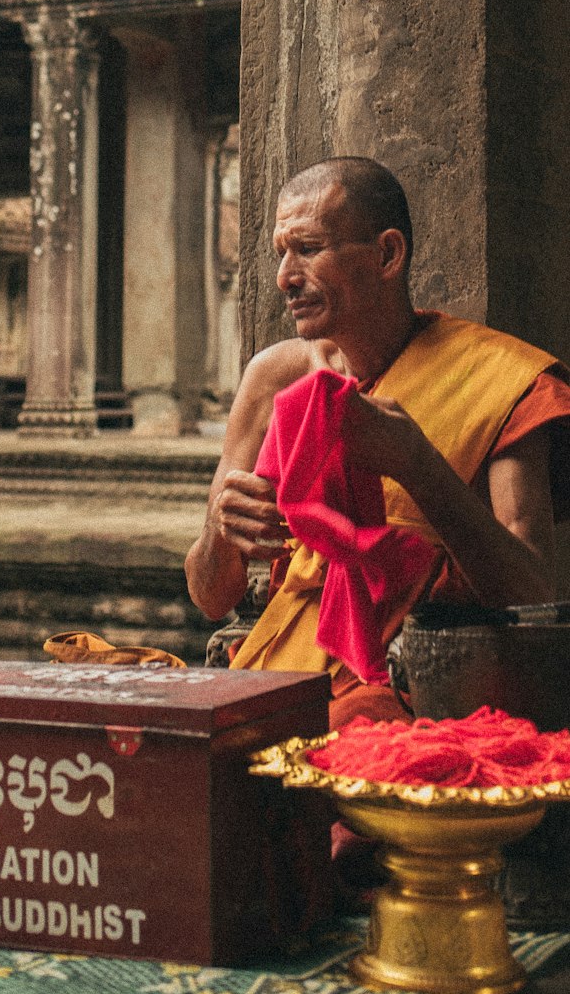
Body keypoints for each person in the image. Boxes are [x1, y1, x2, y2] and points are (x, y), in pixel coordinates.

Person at [185, 157, 570, 728]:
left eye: (309, 249)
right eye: (280, 254)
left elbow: (534, 599)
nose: (285, 277)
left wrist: (418, 464)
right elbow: (210, 596)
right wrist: (223, 531)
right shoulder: (273, 378)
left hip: (412, 688)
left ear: (388, 255)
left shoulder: (502, 379)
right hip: (274, 675)